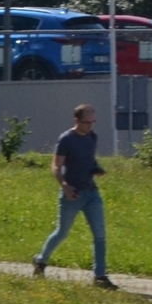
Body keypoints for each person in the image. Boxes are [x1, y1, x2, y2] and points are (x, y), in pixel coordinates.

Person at [33, 103, 115, 288]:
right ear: (76, 120)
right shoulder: (66, 139)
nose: (90, 126)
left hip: (91, 193)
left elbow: (90, 160)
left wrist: (97, 169)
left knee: (100, 235)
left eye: (93, 122)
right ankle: (40, 260)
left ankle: (100, 276)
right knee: (62, 232)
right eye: (87, 122)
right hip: (73, 194)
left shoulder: (92, 137)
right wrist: (65, 186)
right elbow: (56, 166)